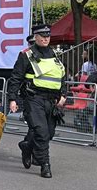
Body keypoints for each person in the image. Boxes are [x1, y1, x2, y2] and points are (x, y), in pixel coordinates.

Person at [7, 24, 67, 178]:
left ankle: (27, 147)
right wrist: (12, 98)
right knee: (41, 132)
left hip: (52, 101)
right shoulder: (26, 55)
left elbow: (61, 77)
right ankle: (45, 165)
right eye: (42, 36)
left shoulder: (54, 54)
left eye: (48, 36)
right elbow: (15, 78)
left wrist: (64, 95)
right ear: (36, 37)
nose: (46, 38)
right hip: (33, 98)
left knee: (49, 133)